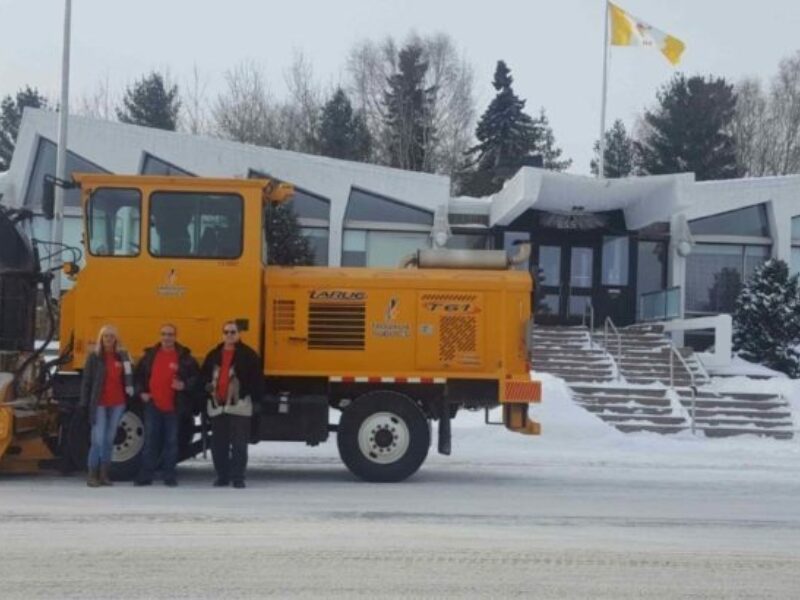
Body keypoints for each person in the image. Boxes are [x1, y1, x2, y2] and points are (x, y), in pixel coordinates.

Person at [134, 323, 199, 487]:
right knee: (150, 441)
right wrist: (141, 392)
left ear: (175, 336)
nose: (167, 337)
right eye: (164, 334)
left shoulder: (184, 358)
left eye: (170, 334)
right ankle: (145, 475)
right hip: (153, 405)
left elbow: (196, 378)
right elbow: (138, 377)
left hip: (174, 407)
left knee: (171, 442)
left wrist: (184, 385)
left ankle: (169, 475)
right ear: (160, 336)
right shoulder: (150, 356)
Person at [200, 321, 263, 489]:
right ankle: (222, 476)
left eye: (233, 332)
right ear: (222, 334)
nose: (229, 335)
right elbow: (204, 376)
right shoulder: (213, 355)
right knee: (218, 444)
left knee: (239, 444)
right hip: (217, 405)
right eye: (226, 332)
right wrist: (206, 390)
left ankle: (238, 478)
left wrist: (254, 400)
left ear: (239, 334)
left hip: (240, 406)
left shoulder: (249, 355)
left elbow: (257, 380)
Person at [79, 325, 134, 488]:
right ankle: (92, 475)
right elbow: (87, 382)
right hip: (100, 403)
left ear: (116, 339)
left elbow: (129, 377)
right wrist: (84, 402)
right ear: (101, 339)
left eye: (111, 336)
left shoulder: (123, 357)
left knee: (109, 440)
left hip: (118, 403)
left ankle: (104, 474)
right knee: (98, 439)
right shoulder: (94, 357)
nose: (108, 339)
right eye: (105, 336)